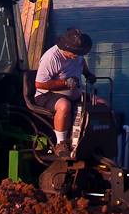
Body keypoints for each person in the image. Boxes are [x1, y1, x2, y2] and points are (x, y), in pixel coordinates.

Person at [33, 27, 104, 158]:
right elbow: (40, 83)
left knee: (101, 104)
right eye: (74, 52)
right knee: (64, 106)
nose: (76, 55)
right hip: (48, 94)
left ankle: (94, 139)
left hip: (74, 93)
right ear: (66, 48)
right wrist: (65, 83)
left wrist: (88, 74)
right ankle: (61, 143)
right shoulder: (50, 58)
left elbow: (81, 62)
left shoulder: (78, 55)